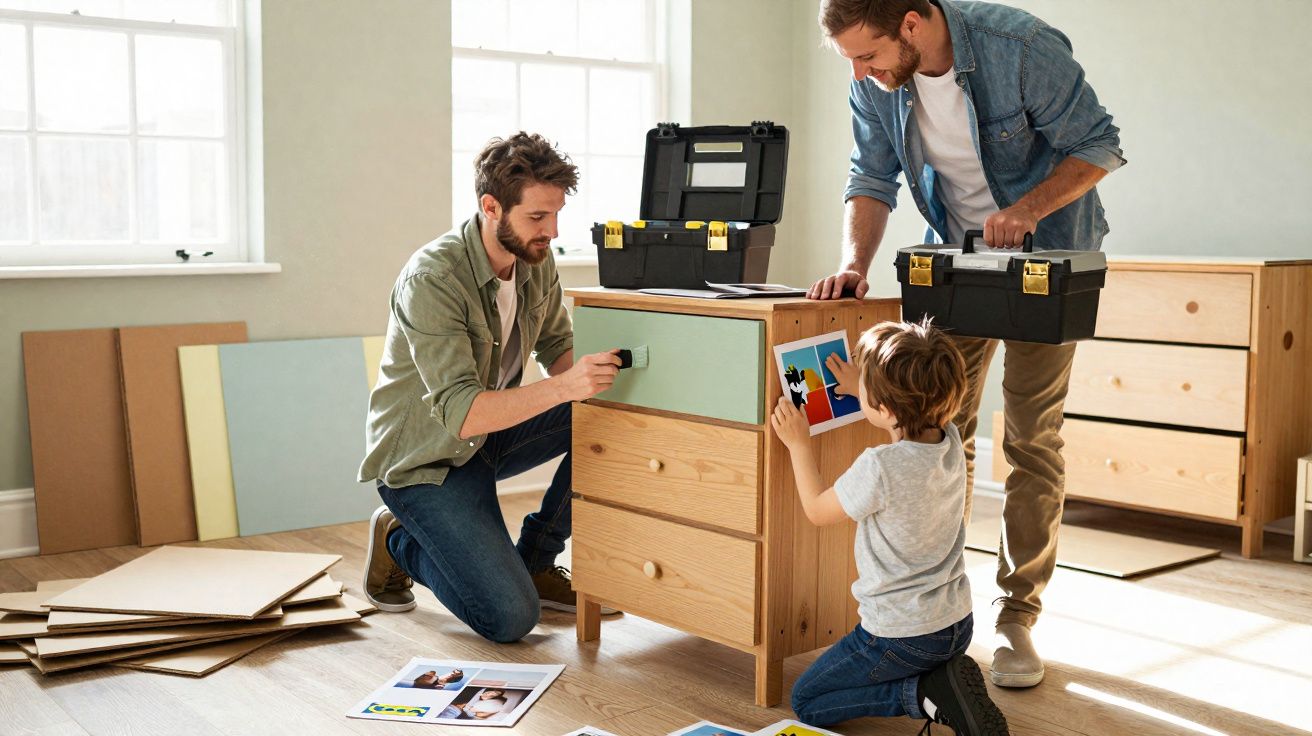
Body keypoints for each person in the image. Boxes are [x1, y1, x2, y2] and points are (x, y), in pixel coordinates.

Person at [809, 0, 1125, 687]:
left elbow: (1097, 144)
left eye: (868, 55)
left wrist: (1025, 211)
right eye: (852, 62)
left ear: (914, 23)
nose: (861, 74)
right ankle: (937, 610)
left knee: (1030, 440)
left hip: (1050, 260)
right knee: (935, 433)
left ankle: (1018, 618)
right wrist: (856, 265)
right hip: (954, 264)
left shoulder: (1020, 48)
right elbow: (870, 177)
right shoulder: (873, 81)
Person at [358, 132, 621, 642]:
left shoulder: (534, 263)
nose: (551, 231)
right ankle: (400, 541)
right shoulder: (434, 279)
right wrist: (569, 385)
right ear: (491, 207)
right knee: (509, 619)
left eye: (556, 214)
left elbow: (557, 347)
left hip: (489, 438)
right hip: (426, 462)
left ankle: (538, 559)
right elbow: (461, 413)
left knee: (606, 415)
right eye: (537, 218)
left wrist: (607, 390)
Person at [775, 319, 1007, 735]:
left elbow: (816, 509)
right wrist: (862, 385)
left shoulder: (879, 468)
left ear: (883, 407)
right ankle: (943, 676)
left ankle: (922, 695)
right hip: (955, 624)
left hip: (901, 636)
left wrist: (798, 443)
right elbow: (907, 416)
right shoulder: (950, 439)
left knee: (805, 701)